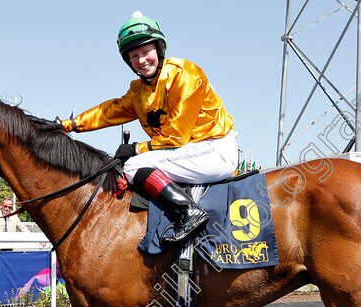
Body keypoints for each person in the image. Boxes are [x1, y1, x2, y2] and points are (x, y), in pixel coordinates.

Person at [59, 11, 238, 247]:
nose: (142, 60)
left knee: (135, 165)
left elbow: (176, 135)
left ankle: (189, 212)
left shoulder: (185, 75)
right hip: (190, 151)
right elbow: (108, 111)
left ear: (159, 49)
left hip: (214, 149)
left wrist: (135, 148)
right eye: (134, 56)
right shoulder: (139, 90)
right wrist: (66, 125)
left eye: (146, 52)